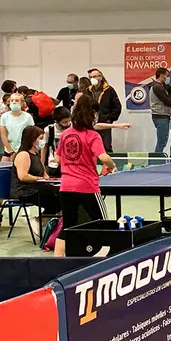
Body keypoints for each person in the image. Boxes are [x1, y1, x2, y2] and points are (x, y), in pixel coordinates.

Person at [54, 95, 117, 257]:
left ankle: (57, 261)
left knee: (67, 226)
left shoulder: (66, 134)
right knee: (103, 223)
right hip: (87, 186)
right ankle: (106, 260)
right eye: (95, 113)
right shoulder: (92, 135)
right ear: (91, 114)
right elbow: (103, 157)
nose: (96, 116)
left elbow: (57, 159)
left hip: (66, 186)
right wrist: (111, 166)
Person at [11, 126, 61, 232]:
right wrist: (39, 179)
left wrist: (49, 180)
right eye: (40, 138)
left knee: (62, 195)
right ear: (33, 140)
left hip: (38, 186)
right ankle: (40, 222)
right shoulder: (23, 155)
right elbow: (23, 176)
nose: (42, 141)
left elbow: (44, 174)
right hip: (25, 191)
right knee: (56, 201)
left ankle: (45, 223)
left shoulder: (36, 154)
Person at [85, 68, 122, 152]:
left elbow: (117, 106)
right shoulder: (87, 91)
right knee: (91, 146)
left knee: (106, 146)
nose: (92, 79)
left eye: (94, 76)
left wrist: (110, 119)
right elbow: (84, 106)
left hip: (105, 122)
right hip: (91, 123)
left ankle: (108, 164)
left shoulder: (109, 90)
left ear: (100, 77)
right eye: (90, 77)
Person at [1, 93, 35, 162]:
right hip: (9, 149)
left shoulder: (28, 117)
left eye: (16, 100)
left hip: (24, 149)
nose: (14, 102)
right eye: (12, 100)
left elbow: (32, 134)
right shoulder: (4, 116)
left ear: (22, 103)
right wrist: (11, 152)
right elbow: (3, 135)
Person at [149, 67, 171, 153]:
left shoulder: (161, 87)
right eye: (167, 76)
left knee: (163, 140)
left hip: (163, 116)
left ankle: (158, 157)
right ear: (161, 75)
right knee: (162, 140)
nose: (168, 78)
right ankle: (156, 159)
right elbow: (169, 101)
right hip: (160, 116)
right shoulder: (157, 87)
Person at [42, 106, 72, 177]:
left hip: (70, 165)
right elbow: (44, 147)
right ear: (57, 121)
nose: (68, 124)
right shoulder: (49, 130)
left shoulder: (73, 128)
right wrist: (42, 164)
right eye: (64, 122)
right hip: (53, 165)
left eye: (69, 121)